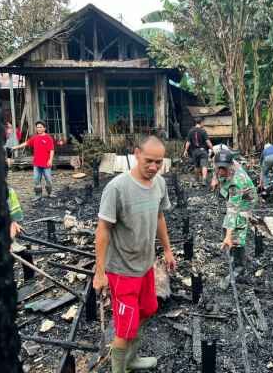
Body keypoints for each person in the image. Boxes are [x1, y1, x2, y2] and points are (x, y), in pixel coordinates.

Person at [92, 136, 177, 373]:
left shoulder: (159, 184)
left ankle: (131, 358)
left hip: (145, 265)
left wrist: (168, 250)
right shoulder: (117, 188)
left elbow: (160, 217)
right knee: (124, 328)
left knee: (148, 310)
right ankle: (119, 368)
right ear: (136, 153)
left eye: (158, 162)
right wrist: (100, 273)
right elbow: (103, 230)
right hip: (122, 270)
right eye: (149, 161)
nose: (153, 167)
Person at [213, 151, 258, 289]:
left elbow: (232, 212)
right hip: (232, 195)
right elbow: (217, 169)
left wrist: (228, 236)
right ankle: (234, 250)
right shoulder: (220, 164)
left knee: (237, 228)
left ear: (230, 166)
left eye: (224, 169)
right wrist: (215, 179)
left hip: (246, 200)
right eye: (218, 168)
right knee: (228, 225)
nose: (220, 171)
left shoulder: (237, 183)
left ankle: (239, 267)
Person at [12, 121, 55, 201]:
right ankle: (38, 195)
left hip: (46, 164)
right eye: (37, 127)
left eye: (40, 127)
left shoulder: (48, 138)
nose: (38, 128)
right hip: (37, 164)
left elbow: (52, 150)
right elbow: (26, 143)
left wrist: (50, 160)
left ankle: (50, 193)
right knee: (36, 179)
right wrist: (16, 147)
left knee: (48, 179)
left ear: (44, 128)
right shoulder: (35, 138)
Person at [183, 117, 213, 186]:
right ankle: (204, 180)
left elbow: (188, 142)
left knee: (196, 166)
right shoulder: (203, 131)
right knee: (204, 165)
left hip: (195, 152)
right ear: (201, 122)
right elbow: (208, 142)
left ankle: (196, 181)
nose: (203, 124)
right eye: (203, 123)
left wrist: (185, 150)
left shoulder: (191, 131)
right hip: (203, 151)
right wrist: (212, 149)